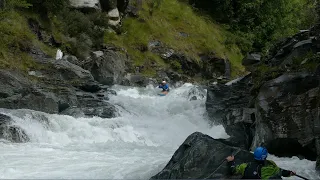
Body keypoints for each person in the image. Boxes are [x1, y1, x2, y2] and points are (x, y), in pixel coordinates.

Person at [226, 147, 296, 179]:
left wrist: (231, 161)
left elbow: (233, 170)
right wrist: (289, 173)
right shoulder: (270, 167)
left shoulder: (245, 166)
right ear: (265, 157)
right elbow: (279, 171)